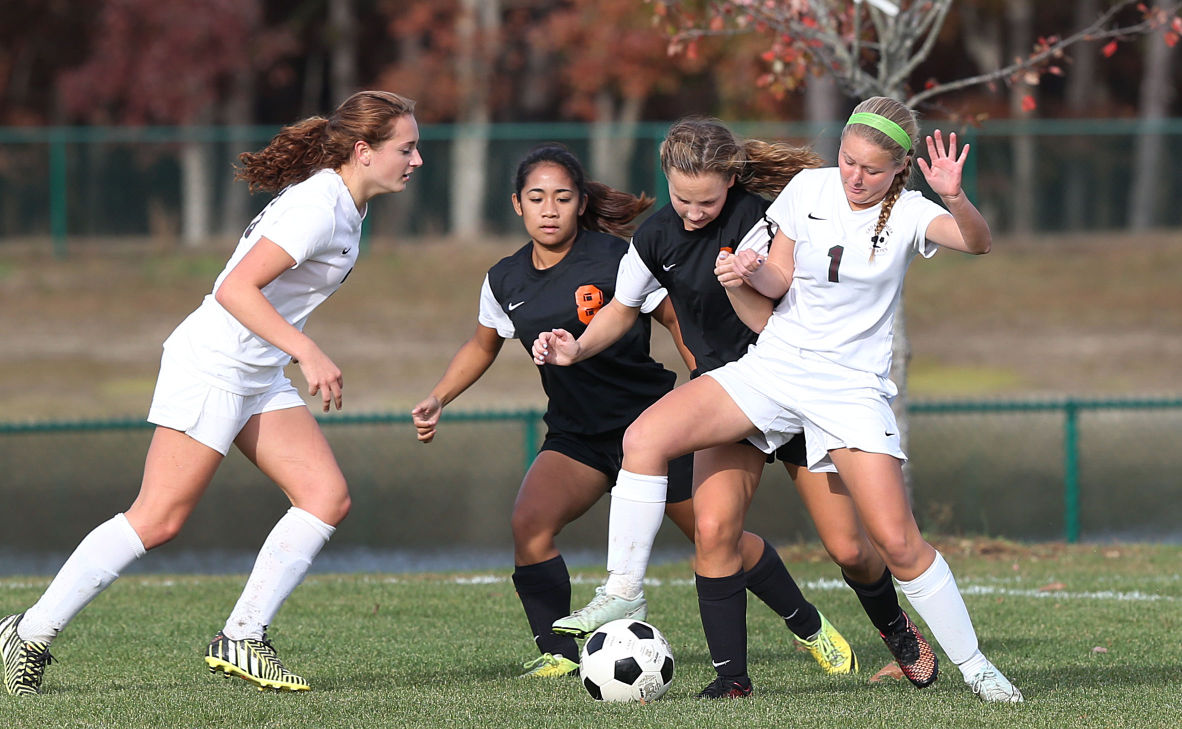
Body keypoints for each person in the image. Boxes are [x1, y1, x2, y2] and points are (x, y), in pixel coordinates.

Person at [542, 98, 1024, 702]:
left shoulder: (909, 213)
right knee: (645, 438)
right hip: (774, 365)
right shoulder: (806, 189)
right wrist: (746, 272)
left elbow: (976, 243)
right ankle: (626, 590)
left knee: (887, 543)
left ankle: (975, 667)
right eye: (849, 161)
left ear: (899, 169)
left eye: (872, 169)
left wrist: (953, 195)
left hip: (849, 389)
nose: (855, 176)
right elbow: (778, 282)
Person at [0, 90, 422, 696]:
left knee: (324, 498)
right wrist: (307, 350)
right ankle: (29, 632)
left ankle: (242, 638)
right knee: (158, 519)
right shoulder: (319, 207)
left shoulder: (344, 206)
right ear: (363, 151)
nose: (416, 160)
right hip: (215, 367)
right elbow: (234, 289)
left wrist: (288, 352)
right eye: (406, 148)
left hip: (256, 371)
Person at [411, 143, 846, 681]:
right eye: (537, 198)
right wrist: (437, 397)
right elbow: (481, 346)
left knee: (718, 537)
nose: (550, 209)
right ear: (517, 205)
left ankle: (808, 624)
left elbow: (677, 317)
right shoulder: (504, 279)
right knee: (529, 523)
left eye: (563, 197)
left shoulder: (617, 256)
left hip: (650, 425)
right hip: (576, 434)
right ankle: (559, 653)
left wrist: (709, 382)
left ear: (579, 202)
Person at [534, 119, 895, 699]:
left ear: (731, 180)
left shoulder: (768, 217)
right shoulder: (654, 237)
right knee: (713, 530)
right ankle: (732, 680)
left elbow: (802, 291)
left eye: (707, 201)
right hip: (729, 395)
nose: (694, 213)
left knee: (849, 548)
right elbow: (623, 309)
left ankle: (901, 636)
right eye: (682, 199)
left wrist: (755, 277)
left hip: (800, 389)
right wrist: (573, 347)